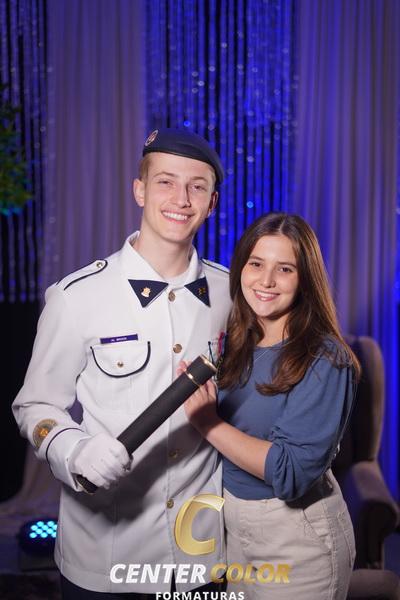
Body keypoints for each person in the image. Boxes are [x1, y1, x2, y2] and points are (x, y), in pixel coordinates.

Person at [13, 128, 231, 598]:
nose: (181, 199)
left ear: (212, 203)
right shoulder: (77, 296)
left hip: (203, 557)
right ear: (139, 190)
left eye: (197, 186)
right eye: (165, 182)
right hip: (106, 558)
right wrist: (72, 449)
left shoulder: (232, 293)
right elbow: (34, 407)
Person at [183, 212, 360, 600]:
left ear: (305, 279)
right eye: (256, 264)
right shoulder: (236, 343)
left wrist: (207, 422)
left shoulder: (326, 358)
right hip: (233, 528)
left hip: (298, 536)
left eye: (285, 269)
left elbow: (290, 472)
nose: (266, 281)